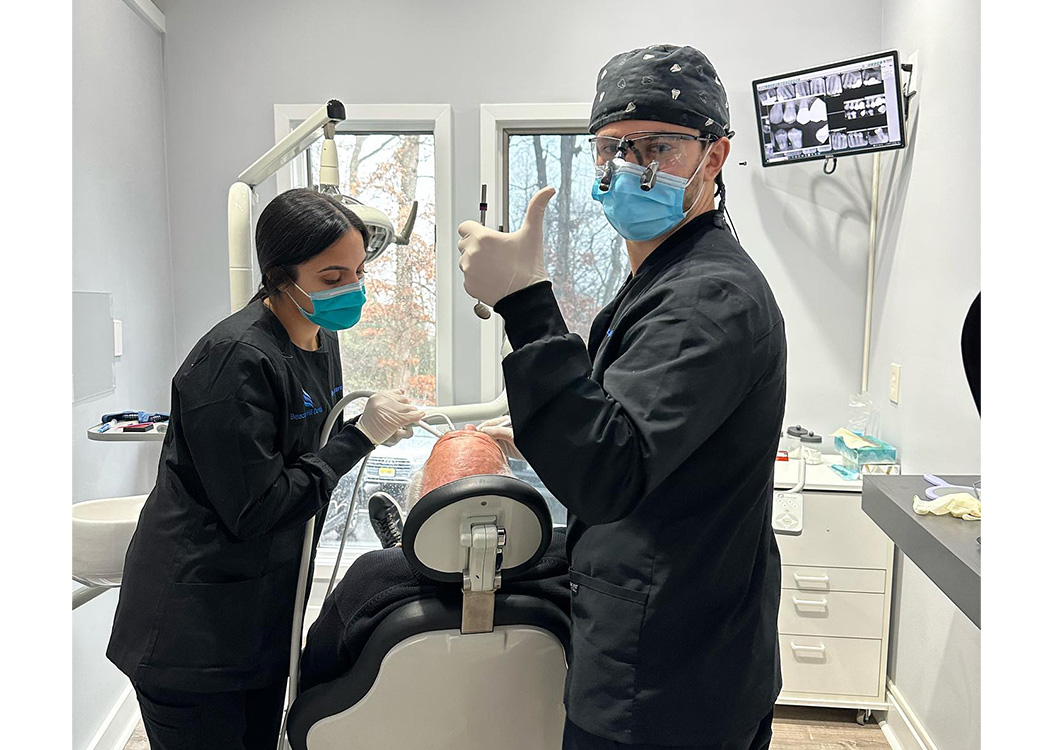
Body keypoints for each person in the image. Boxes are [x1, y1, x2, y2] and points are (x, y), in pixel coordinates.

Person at [459, 45, 786, 750]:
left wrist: (526, 304)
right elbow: (635, 427)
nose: (628, 167)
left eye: (657, 147)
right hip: (670, 641)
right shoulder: (667, 277)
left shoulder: (708, 297)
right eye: (611, 148)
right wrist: (541, 429)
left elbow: (609, 470)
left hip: (668, 677)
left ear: (715, 154)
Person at [107, 188, 426, 750]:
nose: (351, 289)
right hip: (192, 632)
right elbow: (257, 508)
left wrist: (365, 434)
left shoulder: (320, 340)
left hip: (256, 615)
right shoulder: (232, 362)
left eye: (357, 272)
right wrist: (360, 437)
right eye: (331, 278)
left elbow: (309, 456)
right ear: (280, 276)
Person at [299, 461, 570, 693]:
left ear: (420, 514)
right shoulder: (567, 557)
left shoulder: (370, 576)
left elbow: (314, 673)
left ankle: (400, 549)